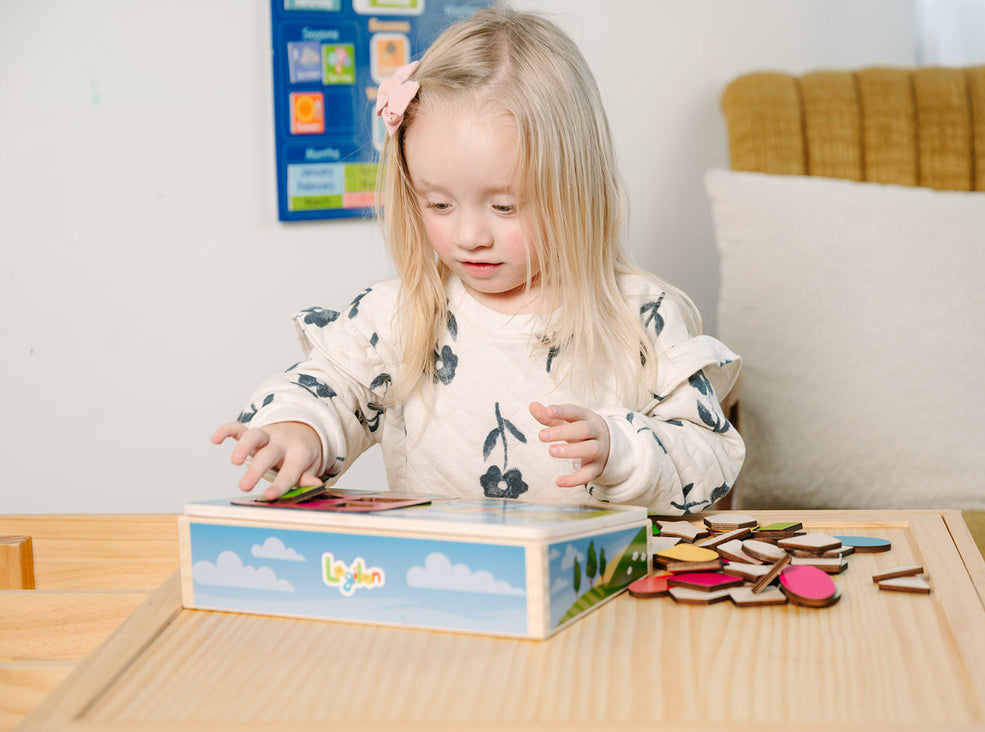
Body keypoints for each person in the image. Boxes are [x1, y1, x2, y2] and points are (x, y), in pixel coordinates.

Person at [211, 6, 744, 515]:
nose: (468, 236)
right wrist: (297, 429)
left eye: (505, 206)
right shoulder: (400, 314)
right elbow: (325, 386)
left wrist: (622, 451)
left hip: (597, 594)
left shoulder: (638, 318)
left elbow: (712, 457)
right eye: (438, 204)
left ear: (575, 188)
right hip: (445, 591)